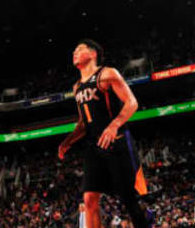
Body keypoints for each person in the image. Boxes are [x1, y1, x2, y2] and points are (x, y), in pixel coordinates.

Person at [58, 40, 152, 228]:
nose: (75, 52)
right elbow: (84, 122)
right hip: (93, 145)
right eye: (74, 50)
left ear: (93, 54)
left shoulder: (107, 73)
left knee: (128, 198)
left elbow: (132, 102)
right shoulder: (77, 87)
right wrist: (67, 142)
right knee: (89, 198)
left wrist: (114, 125)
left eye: (80, 49)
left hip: (116, 141)